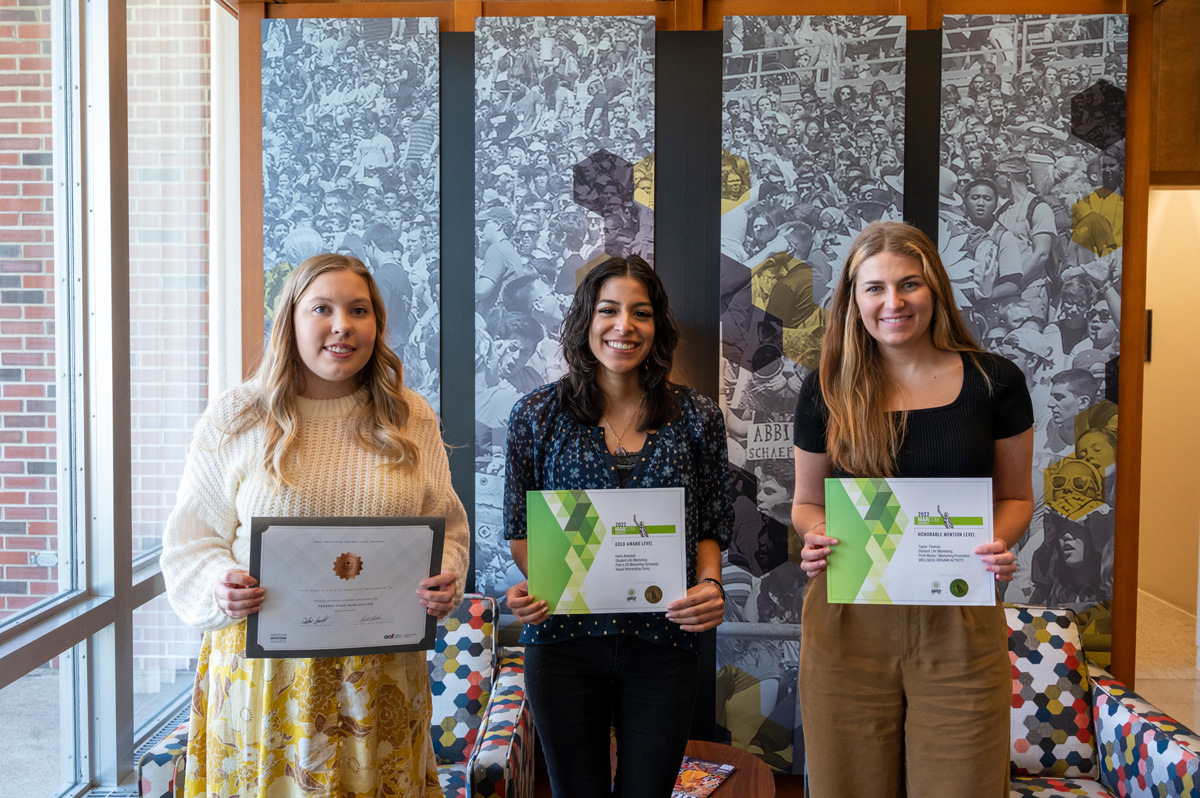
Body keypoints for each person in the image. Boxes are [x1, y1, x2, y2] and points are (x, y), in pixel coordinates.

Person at [161, 254, 470, 797]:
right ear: (291, 320)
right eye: (321, 309)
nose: (342, 326)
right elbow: (192, 541)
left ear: (377, 324)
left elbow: (448, 530)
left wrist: (445, 574)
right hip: (266, 681)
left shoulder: (409, 417)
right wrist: (219, 582)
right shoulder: (238, 417)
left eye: (359, 310)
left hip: (381, 679)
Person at [791, 222, 1034, 798]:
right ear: (853, 300)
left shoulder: (994, 382)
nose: (892, 302)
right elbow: (805, 503)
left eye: (909, 285)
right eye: (874, 288)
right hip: (848, 612)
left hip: (957, 617)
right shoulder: (825, 388)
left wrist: (997, 543)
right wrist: (816, 533)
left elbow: (1016, 497)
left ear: (935, 291)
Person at [502, 255, 733, 797]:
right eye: (608, 310)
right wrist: (542, 584)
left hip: (663, 639)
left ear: (658, 327)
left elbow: (712, 523)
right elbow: (520, 529)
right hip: (563, 641)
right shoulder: (534, 415)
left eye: (641, 313)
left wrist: (711, 583)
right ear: (585, 321)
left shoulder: (697, 417)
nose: (624, 326)